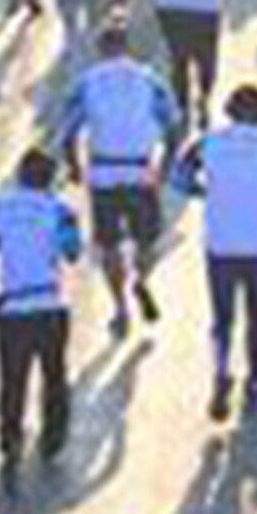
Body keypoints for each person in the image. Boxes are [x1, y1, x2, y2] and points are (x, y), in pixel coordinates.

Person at [178, 84, 257, 421]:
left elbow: (180, 176)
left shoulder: (208, 142)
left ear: (229, 110)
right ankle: (256, 377)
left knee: (222, 316)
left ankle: (221, 372)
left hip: (221, 242)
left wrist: (203, 191)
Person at [52, 24, 180, 338]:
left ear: (100, 49)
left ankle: (120, 307)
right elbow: (172, 125)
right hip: (140, 171)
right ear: (127, 47)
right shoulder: (150, 79)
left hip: (104, 173)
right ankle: (142, 279)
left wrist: (72, 165)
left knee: (108, 245)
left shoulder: (87, 82)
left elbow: (68, 129)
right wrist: (165, 164)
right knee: (147, 239)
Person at [0, 147, 86, 480]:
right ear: (50, 180)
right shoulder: (61, 210)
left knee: (12, 380)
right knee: (54, 376)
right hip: (49, 307)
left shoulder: (0, 206)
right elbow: (72, 252)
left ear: (19, 175)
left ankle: (10, 438)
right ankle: (52, 440)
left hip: (12, 308)